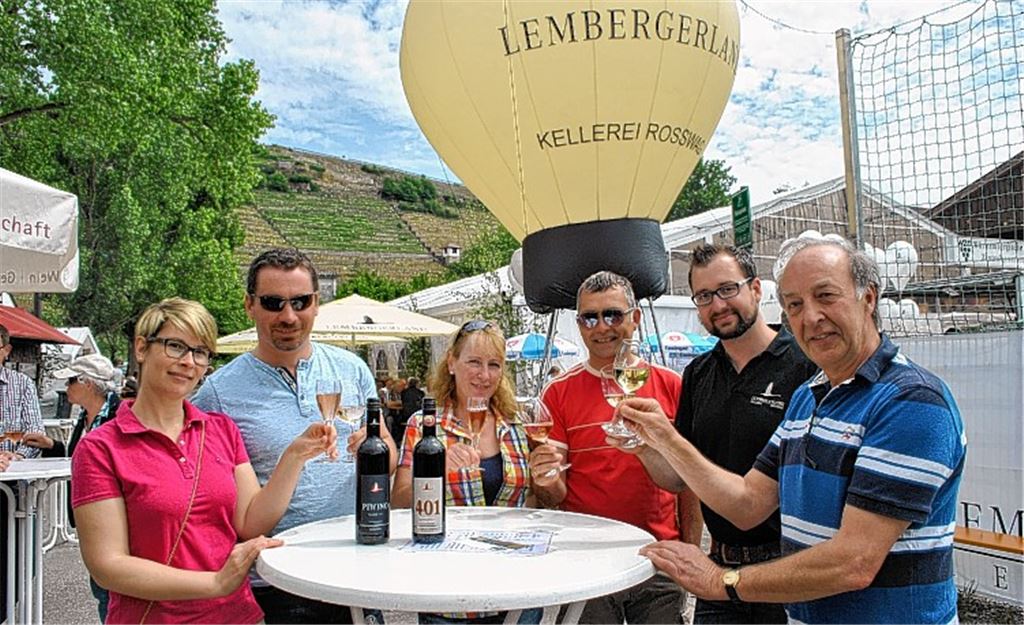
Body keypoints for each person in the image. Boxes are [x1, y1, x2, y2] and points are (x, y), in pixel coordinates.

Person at [617, 237, 966, 623]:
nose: (811, 316)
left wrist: (723, 581)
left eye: (826, 296)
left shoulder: (912, 400)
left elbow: (854, 562)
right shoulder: (809, 396)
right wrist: (662, 439)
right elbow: (749, 504)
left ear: (868, 298)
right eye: (794, 304)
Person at [71, 297, 336, 624]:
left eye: (200, 352)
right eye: (175, 346)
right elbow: (108, 565)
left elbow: (250, 522)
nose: (188, 362)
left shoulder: (221, 430)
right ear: (141, 348)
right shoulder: (100, 449)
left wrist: (294, 456)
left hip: (239, 617)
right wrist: (215, 583)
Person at [192, 247, 396, 624]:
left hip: (357, 569)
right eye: (273, 303)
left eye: (300, 302)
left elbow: (389, 455)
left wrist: (376, 449)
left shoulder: (352, 370)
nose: (288, 316)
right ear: (250, 305)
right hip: (278, 581)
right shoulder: (217, 394)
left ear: (316, 304)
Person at [664, 243, 818, 624]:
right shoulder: (698, 373)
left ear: (756, 289)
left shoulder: (806, 366)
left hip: (789, 570)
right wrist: (644, 441)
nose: (717, 305)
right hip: (719, 571)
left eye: (727, 289)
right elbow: (676, 477)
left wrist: (662, 438)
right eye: (704, 296)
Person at [530, 271, 688, 624]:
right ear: (579, 324)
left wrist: (689, 548)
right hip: (588, 561)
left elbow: (691, 483)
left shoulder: (672, 386)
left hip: (658, 556)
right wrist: (543, 480)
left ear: (636, 318)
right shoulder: (559, 392)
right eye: (590, 317)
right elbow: (555, 493)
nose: (602, 327)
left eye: (613, 315)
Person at [392, 319, 535, 624]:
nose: (485, 375)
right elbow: (399, 502)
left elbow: (533, 501)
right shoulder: (425, 425)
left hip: (516, 589)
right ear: (451, 363)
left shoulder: (517, 425)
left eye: (494, 364)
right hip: (448, 591)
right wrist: (435, 470)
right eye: (474, 362)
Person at [23, 353, 122, 622]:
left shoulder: (120, 415)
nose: (65, 388)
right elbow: (79, 457)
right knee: (102, 587)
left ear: (87, 383)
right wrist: (51, 446)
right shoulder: (88, 416)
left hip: (115, 516)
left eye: (70, 382)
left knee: (110, 589)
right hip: (93, 516)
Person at [0, 323, 45, 614]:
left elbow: (35, 434)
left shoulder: (21, 385)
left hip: (13, 489)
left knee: (17, 564)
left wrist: (15, 456)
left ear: (6, 350)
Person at [395, 376, 424, 440]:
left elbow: (403, 402)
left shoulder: (404, 392)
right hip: (417, 415)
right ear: (416, 384)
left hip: (406, 415)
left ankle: (398, 438)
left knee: (396, 420)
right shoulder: (421, 393)